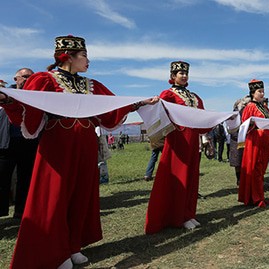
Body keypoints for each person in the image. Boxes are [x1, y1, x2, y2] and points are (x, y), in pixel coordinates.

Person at [0, 35, 157, 269]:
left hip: (85, 143)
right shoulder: (45, 79)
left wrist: (138, 103)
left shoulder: (90, 85)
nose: (88, 60)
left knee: (81, 194)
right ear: (68, 57)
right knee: (56, 196)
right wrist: (7, 99)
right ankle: (56, 250)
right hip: (57, 144)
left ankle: (73, 246)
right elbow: (27, 106)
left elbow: (112, 106)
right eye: (84, 55)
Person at [145, 60, 212, 233]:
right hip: (177, 141)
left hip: (193, 142)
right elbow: (159, 111)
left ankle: (189, 213)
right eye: (180, 73)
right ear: (173, 76)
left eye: (185, 73)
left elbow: (202, 118)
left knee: (191, 177)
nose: (184, 76)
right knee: (179, 177)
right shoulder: (168, 94)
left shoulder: (195, 97)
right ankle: (177, 216)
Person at [0, 68, 38, 219]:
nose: (29, 79)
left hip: (28, 143)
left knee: (26, 179)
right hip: (5, 144)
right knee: (2, 179)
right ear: (16, 79)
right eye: (26, 77)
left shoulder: (35, 97)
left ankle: (21, 212)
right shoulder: (4, 94)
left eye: (32, 77)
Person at [238, 79, 269, 208]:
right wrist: (253, 123)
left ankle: (259, 195)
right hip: (255, 140)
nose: (262, 94)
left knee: (262, 168)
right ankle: (256, 197)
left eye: (263, 91)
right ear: (253, 93)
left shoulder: (264, 107)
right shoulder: (250, 106)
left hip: (265, 139)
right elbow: (244, 124)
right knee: (255, 168)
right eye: (260, 91)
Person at [228, 95, 251, 185]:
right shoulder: (234, 113)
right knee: (237, 161)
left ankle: (245, 178)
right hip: (236, 139)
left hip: (245, 138)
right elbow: (232, 126)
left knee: (245, 161)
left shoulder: (246, 111)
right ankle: (239, 179)